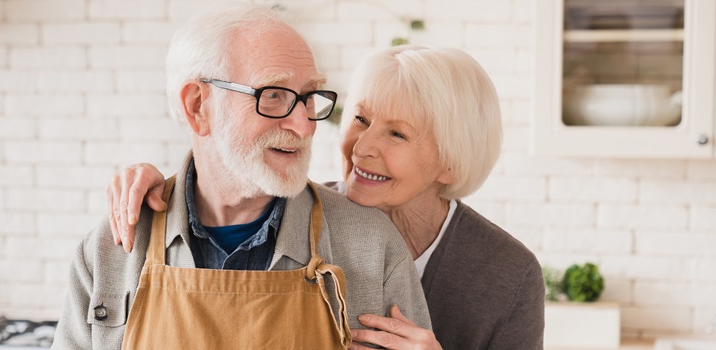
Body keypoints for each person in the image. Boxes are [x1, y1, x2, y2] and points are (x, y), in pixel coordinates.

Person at [107, 45, 546, 349]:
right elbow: (219, 179)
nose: (362, 146)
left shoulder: (510, 275)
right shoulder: (292, 211)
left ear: (450, 162)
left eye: (396, 133)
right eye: (360, 118)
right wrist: (156, 184)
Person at [52, 3, 430, 349]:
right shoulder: (112, 250)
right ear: (198, 106)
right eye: (274, 95)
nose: (304, 126)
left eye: (309, 95)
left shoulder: (372, 246)